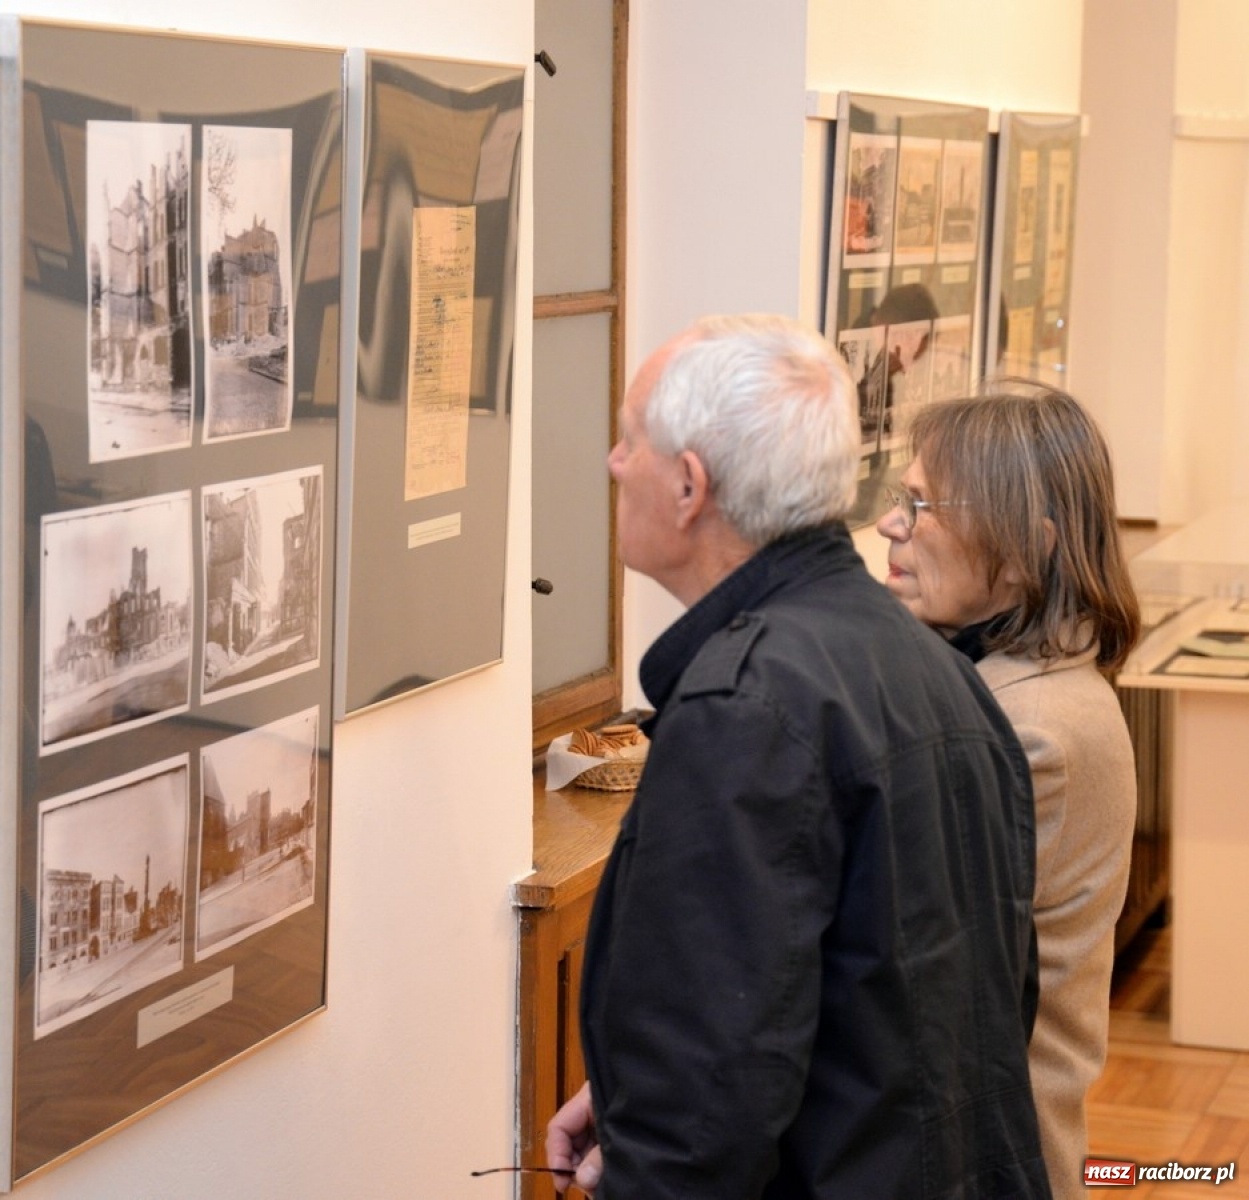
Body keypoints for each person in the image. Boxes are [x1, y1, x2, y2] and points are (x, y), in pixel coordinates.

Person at [546, 313, 1051, 1198]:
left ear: (689, 487)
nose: (613, 463)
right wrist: (632, 1095)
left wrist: (655, 1129)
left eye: (631, 441)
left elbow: (709, 1102)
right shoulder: (931, 668)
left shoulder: (745, 709)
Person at [876, 383, 1140, 1200]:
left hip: (974, 1162)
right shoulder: (1019, 686)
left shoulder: (1026, 731)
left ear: (1026, 548)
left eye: (921, 505)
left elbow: (892, 965)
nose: (891, 525)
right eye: (899, 498)